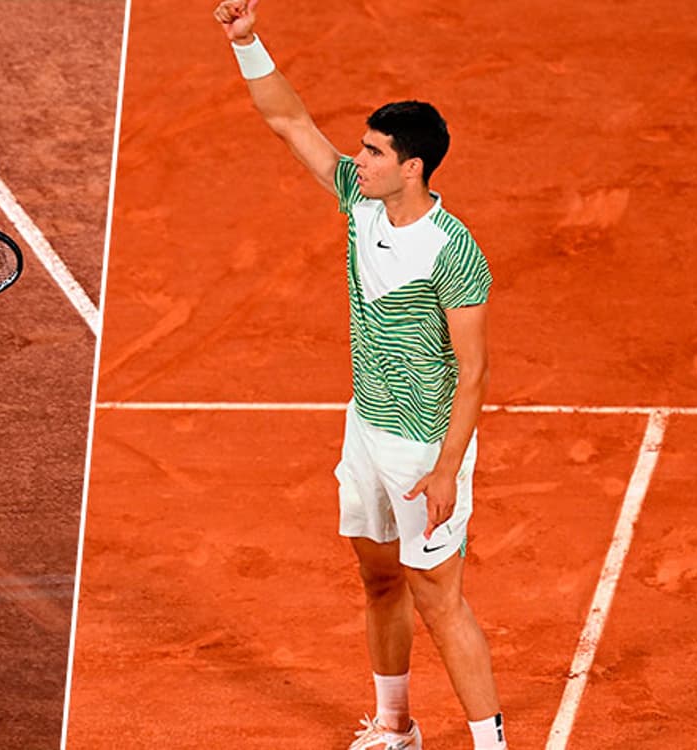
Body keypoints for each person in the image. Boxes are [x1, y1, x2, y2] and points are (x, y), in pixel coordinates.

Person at [213, 2, 507, 749]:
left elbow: (473, 373)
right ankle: (395, 726)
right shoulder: (358, 200)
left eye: (374, 152)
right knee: (379, 580)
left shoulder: (453, 251)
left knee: (440, 601)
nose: (359, 159)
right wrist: (247, 42)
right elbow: (290, 122)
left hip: (422, 448)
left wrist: (446, 470)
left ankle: (491, 744)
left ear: (413, 167)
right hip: (366, 426)